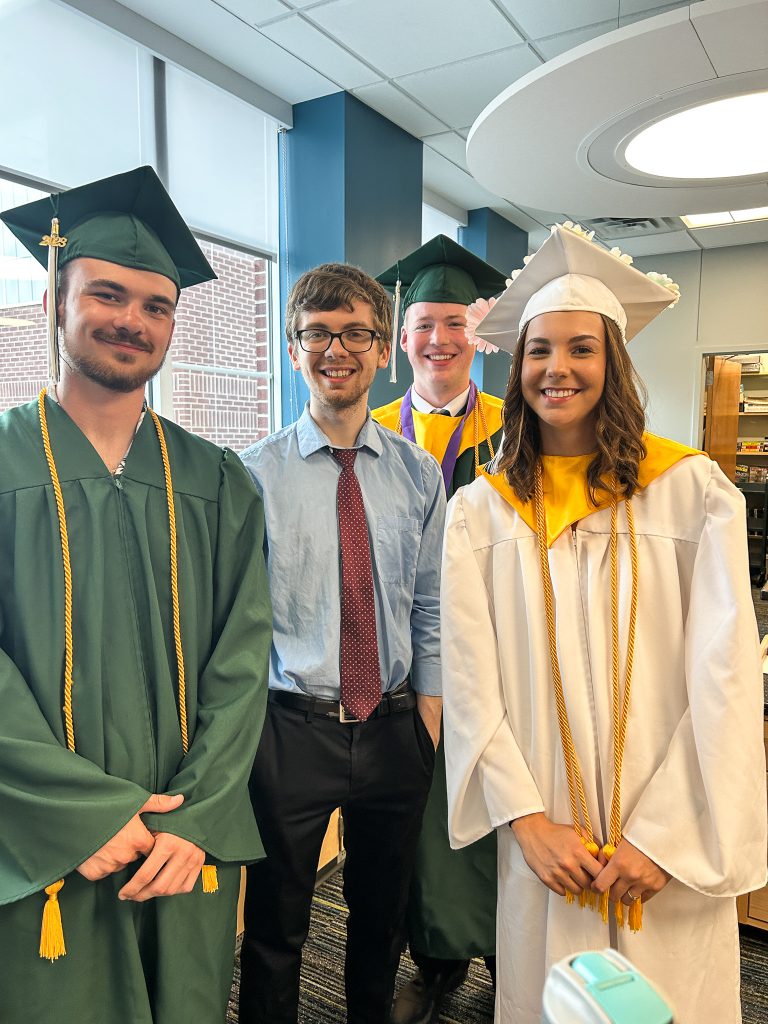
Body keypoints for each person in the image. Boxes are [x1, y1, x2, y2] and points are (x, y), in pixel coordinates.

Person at [441, 222, 768, 1023]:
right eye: (539, 349)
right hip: (547, 840)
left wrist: (667, 836)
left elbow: (724, 676)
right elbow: (471, 685)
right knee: (555, 1000)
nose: (558, 368)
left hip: (666, 843)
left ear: (613, 363)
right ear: (517, 368)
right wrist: (527, 821)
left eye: (581, 349)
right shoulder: (482, 512)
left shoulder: (691, 493)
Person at [0, 166, 272, 1024]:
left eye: (158, 306)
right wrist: (79, 813)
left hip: (178, 836)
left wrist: (197, 817)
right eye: (109, 294)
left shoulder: (218, 480)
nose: (133, 321)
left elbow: (242, 659)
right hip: (44, 837)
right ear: (55, 301)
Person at [238, 262, 446, 1024]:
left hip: (395, 728)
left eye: (356, 332)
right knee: (277, 924)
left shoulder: (421, 477)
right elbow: (237, 617)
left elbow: (429, 603)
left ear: (383, 349)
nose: (337, 349)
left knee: (380, 918)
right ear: (295, 349)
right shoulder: (251, 476)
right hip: (291, 728)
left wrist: (426, 717)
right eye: (317, 333)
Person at [372, 236, 507, 1023]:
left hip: (498, 656)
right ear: (403, 337)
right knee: (416, 826)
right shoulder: (378, 428)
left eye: (453, 322)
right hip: (405, 666)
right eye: (423, 323)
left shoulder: (515, 424)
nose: (439, 340)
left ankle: (511, 957)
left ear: (475, 333)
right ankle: (436, 962)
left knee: (498, 808)